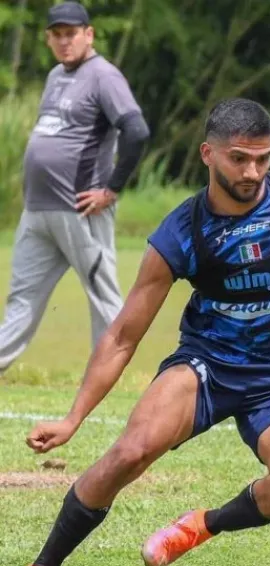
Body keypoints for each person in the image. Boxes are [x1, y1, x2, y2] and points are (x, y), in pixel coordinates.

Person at [6, 97, 270, 566]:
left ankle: (201, 526)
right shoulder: (181, 231)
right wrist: (73, 418)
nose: (253, 171)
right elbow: (124, 334)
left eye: (263, 158)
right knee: (130, 452)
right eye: (239, 157)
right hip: (208, 366)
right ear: (207, 154)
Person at [0, 1, 150, 374]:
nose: (65, 41)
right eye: (58, 35)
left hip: (80, 209)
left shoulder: (104, 76)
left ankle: (106, 379)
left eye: (72, 33)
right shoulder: (55, 76)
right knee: (22, 300)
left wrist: (111, 189)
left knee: (103, 299)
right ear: (49, 39)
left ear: (89, 34)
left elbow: (136, 131)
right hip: (38, 212)